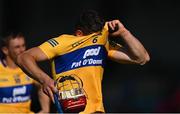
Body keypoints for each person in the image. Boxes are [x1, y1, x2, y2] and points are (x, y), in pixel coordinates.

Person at [16, 10, 150, 113]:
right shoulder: (62, 42)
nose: (95, 40)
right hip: (70, 110)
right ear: (79, 33)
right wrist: (45, 79)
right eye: (93, 36)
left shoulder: (103, 45)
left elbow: (142, 58)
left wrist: (124, 33)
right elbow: (23, 57)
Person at [0, 32, 50, 113]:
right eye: (17, 47)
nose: (22, 50)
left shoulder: (28, 67)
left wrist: (45, 110)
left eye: (23, 45)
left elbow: (42, 85)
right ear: (5, 50)